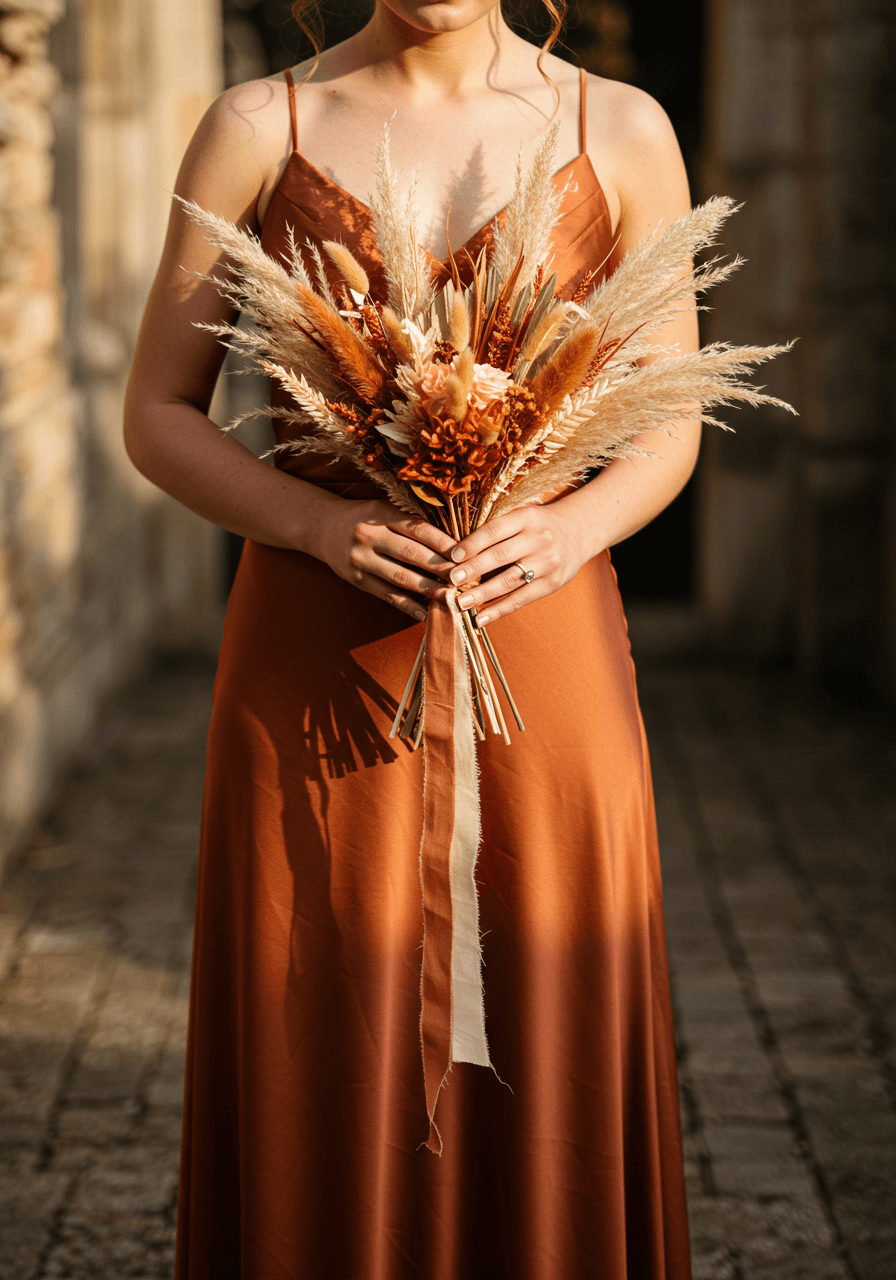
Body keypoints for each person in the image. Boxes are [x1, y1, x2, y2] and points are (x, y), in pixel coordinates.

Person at [124, 2, 699, 1276]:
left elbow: (670, 425)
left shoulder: (623, 127)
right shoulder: (255, 126)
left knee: (554, 979)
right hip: (312, 635)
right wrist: (314, 527)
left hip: (539, 630)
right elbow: (157, 414)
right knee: (311, 988)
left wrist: (572, 528)